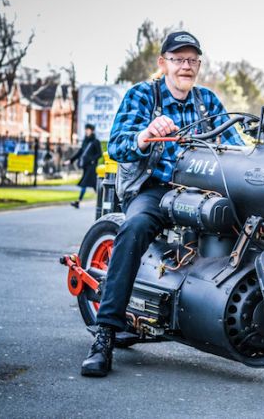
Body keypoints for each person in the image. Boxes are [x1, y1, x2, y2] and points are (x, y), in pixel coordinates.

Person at [80, 31, 243, 377]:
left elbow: (236, 147)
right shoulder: (142, 95)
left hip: (201, 193)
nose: (186, 65)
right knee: (135, 227)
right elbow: (117, 146)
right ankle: (105, 335)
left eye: (192, 60)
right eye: (178, 59)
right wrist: (145, 134)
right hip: (154, 189)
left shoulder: (208, 102)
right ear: (163, 63)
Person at [66, 124, 102, 208]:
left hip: (92, 166)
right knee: (93, 185)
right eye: (86, 129)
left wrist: (92, 159)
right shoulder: (85, 141)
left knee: (85, 183)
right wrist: (71, 160)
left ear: (92, 131)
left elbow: (99, 154)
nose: (86, 131)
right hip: (86, 166)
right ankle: (102, 200)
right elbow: (80, 153)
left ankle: (78, 202)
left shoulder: (95, 141)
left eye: (88, 129)